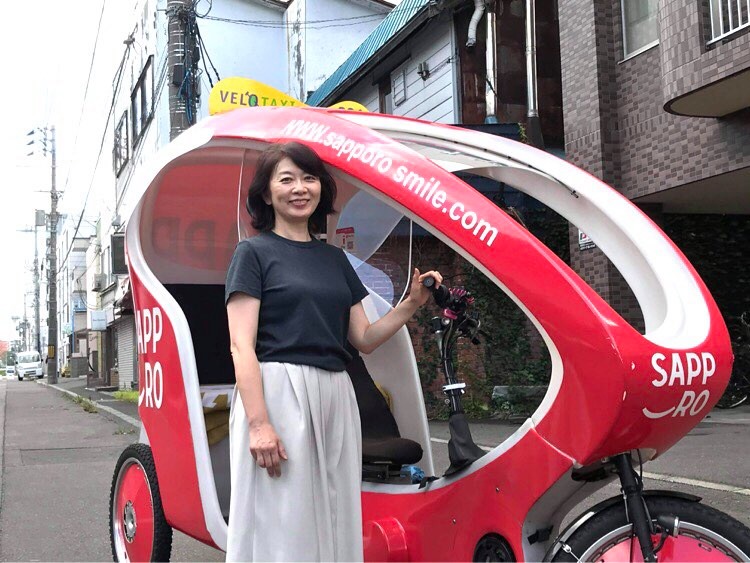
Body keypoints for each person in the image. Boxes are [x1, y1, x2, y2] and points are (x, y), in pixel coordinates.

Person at [224, 141, 442, 562]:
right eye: (286, 179)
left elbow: (364, 338)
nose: (299, 188)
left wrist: (412, 303)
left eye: (309, 178)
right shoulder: (252, 253)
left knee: (335, 510)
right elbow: (241, 346)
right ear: (266, 193)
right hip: (279, 392)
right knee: (284, 518)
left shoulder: (335, 259)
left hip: (336, 394)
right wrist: (258, 424)